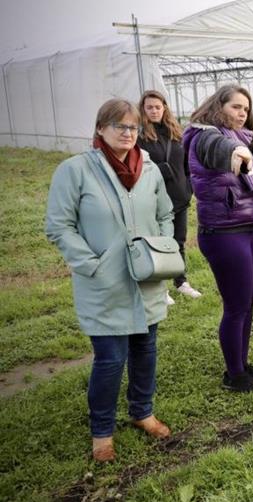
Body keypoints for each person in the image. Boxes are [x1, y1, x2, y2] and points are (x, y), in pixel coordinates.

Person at [45, 99, 174, 462]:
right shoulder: (76, 170)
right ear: (100, 129)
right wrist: (91, 263)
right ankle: (101, 432)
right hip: (105, 281)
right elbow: (58, 224)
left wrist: (161, 249)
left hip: (146, 277)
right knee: (110, 358)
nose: (127, 133)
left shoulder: (148, 168)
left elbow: (166, 212)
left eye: (132, 127)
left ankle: (142, 412)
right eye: (119, 126)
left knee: (145, 350)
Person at [183, 85, 253, 392]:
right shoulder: (204, 135)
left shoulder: (240, 137)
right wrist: (233, 152)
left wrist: (240, 147)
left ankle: (242, 364)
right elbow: (216, 149)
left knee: (249, 300)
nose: (242, 113)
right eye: (236, 107)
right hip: (224, 233)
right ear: (218, 106)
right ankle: (235, 375)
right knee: (236, 305)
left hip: (247, 228)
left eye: (246, 109)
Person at [137, 90, 202, 304]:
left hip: (179, 197)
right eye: (150, 107)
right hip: (154, 200)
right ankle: (160, 288)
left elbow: (187, 164)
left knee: (178, 241)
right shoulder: (140, 137)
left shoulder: (176, 133)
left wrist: (189, 187)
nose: (154, 111)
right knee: (159, 241)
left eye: (158, 106)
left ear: (164, 108)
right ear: (143, 110)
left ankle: (181, 281)